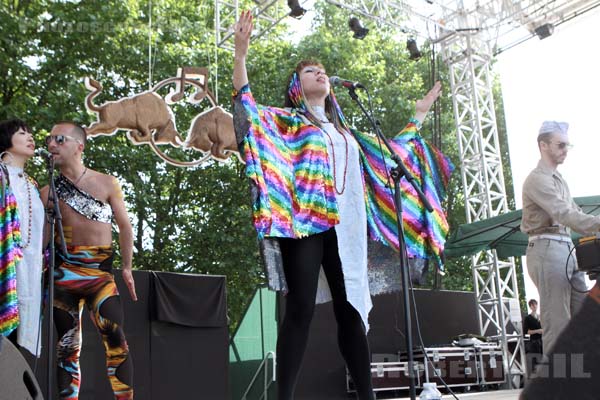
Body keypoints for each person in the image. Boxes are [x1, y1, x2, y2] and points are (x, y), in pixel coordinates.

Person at [231, 11, 453, 400]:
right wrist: (240, 55)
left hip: (346, 227)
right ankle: (283, 396)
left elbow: (390, 155)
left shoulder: (346, 133)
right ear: (296, 88)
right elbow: (248, 112)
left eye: (322, 70)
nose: (320, 73)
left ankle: (366, 396)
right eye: (309, 71)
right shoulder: (288, 123)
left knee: (349, 307)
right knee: (300, 306)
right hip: (306, 222)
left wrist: (417, 115)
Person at [40, 121, 137, 400]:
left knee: (116, 342)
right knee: (67, 348)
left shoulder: (107, 183)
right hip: (63, 275)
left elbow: (125, 227)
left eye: (59, 139)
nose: (51, 145)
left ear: (79, 146)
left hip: (99, 276)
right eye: (49, 140)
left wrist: (127, 267)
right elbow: (44, 239)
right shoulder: (48, 192)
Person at [521, 120, 600, 354]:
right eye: (560, 145)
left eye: (567, 145)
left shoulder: (559, 179)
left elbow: (576, 213)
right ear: (543, 145)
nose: (565, 150)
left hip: (566, 249)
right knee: (558, 324)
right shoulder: (537, 179)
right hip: (547, 247)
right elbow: (563, 213)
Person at [0, 119, 45, 357]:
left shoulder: (32, 184)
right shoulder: (1, 175)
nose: (31, 138)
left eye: (31, 133)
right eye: (22, 133)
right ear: (7, 140)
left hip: (28, 269)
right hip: (4, 266)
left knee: (14, 347)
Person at [523, 298, 543, 371]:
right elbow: (526, 332)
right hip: (534, 342)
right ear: (530, 307)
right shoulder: (528, 318)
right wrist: (538, 331)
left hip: (542, 341)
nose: (534, 306)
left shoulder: (540, 316)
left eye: (535, 304)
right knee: (536, 361)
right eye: (532, 305)